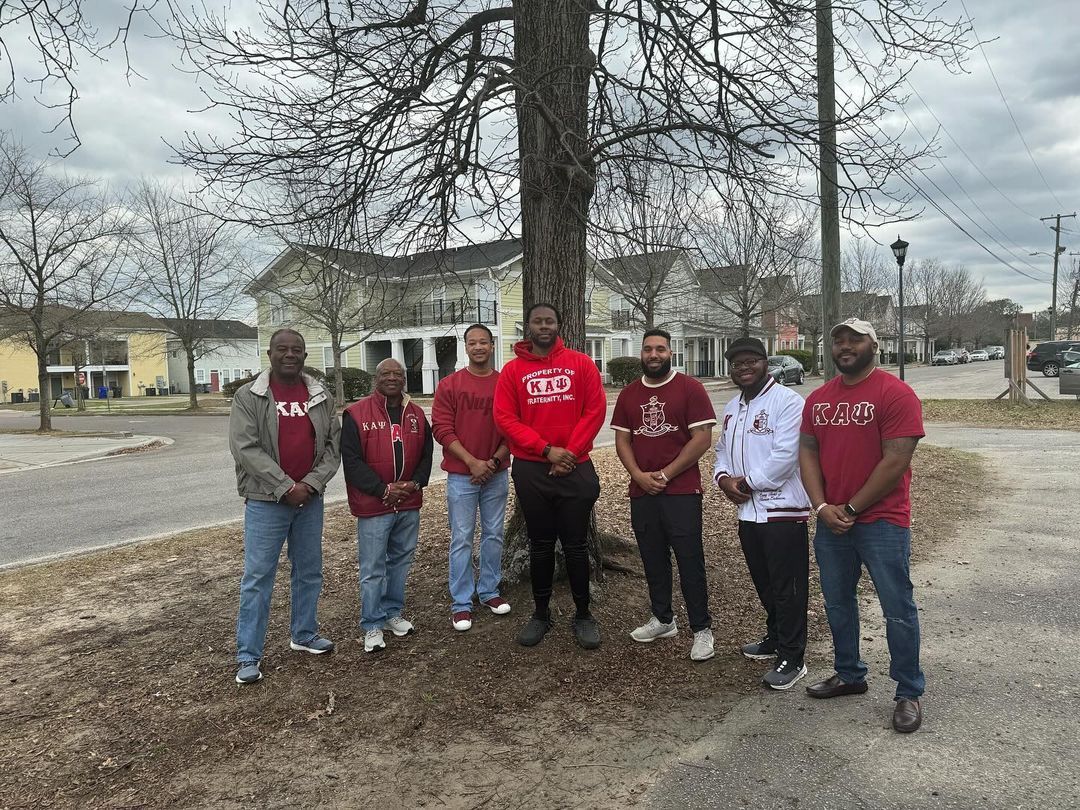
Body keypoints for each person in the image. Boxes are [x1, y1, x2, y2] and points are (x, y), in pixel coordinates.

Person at [800, 318, 926, 733]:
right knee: (837, 602)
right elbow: (808, 454)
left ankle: (908, 691)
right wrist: (821, 506)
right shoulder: (818, 398)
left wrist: (850, 509)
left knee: (897, 608)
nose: (845, 346)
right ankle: (850, 675)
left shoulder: (896, 393)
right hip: (831, 520)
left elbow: (896, 460)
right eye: (838, 340)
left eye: (854, 339)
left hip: (882, 521)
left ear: (874, 345)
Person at [229, 328, 341, 685]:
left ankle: (304, 634)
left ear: (305, 356)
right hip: (267, 502)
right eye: (282, 349)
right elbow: (245, 448)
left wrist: (309, 484)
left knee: (309, 570)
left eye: (296, 350)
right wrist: (284, 486)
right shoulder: (249, 396)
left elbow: (331, 447)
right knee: (258, 578)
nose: (289, 355)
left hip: (309, 499)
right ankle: (248, 655)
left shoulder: (320, 394)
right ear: (270, 354)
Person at [493, 303, 607, 649]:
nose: (544, 326)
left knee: (575, 544)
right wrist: (546, 450)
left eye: (550, 321)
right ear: (528, 326)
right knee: (540, 545)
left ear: (559, 325)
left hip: (575, 466)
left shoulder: (581, 363)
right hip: (532, 469)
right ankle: (541, 614)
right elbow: (505, 418)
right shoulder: (512, 372)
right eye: (537, 321)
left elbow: (595, 409)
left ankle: (583, 614)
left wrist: (568, 453)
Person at [611, 329, 717, 661]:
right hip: (642, 491)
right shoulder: (628, 395)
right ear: (641, 354)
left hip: (682, 491)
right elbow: (623, 442)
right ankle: (663, 618)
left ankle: (702, 629)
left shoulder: (690, 388)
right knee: (652, 559)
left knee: (689, 561)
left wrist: (668, 473)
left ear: (671, 353)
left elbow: (701, 438)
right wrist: (639, 476)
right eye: (648, 349)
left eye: (660, 349)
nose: (653, 354)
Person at [713, 337, 811, 690]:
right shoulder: (732, 407)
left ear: (765, 363)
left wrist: (748, 483)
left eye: (750, 361)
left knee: (789, 587)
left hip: (782, 510)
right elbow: (721, 451)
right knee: (764, 582)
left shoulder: (787, 402)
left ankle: (793, 656)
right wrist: (723, 479)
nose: (744, 368)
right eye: (737, 363)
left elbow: (786, 456)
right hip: (748, 513)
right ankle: (775, 637)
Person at [341, 358, 433, 653]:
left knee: (400, 563)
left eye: (398, 374)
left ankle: (392, 613)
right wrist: (383, 490)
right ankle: (371, 624)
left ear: (404, 379)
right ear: (376, 378)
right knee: (372, 568)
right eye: (386, 373)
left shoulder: (417, 414)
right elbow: (352, 462)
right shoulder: (356, 413)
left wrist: (414, 484)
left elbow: (426, 457)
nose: (392, 378)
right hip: (374, 505)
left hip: (408, 503)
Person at [431, 323, 512, 631]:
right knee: (462, 538)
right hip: (461, 477)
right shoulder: (450, 385)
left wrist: (491, 462)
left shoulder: (505, 383)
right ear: (465, 348)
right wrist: (471, 462)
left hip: (496, 473)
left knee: (494, 534)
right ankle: (461, 602)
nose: (478, 347)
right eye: (472, 343)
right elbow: (442, 428)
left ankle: (489, 591)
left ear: (492, 346)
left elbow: (515, 428)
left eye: (483, 342)